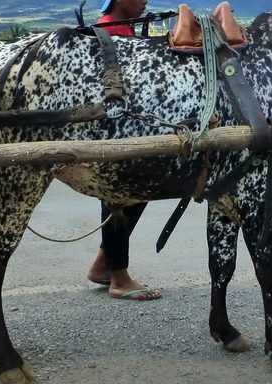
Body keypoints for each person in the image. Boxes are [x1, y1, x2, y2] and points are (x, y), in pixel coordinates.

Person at [85, 0, 162, 301]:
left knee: (141, 189)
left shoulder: (124, 30)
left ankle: (103, 264)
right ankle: (119, 277)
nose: (145, 1)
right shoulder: (109, 34)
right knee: (120, 194)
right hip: (113, 129)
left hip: (123, 125)